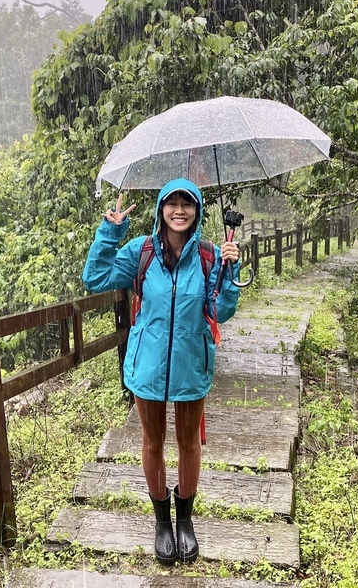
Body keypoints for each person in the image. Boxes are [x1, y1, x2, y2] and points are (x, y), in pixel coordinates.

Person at [82, 178, 242, 564]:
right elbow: (94, 278)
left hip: (190, 365)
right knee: (153, 443)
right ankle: (161, 522)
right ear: (161, 210)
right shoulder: (142, 252)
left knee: (188, 444)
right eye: (172, 203)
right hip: (148, 367)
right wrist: (111, 230)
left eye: (187, 203)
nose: (179, 211)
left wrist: (229, 271)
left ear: (198, 210)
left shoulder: (207, 256)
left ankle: (184, 521)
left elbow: (219, 310)